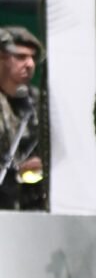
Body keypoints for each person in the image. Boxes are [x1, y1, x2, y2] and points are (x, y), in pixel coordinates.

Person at [0, 26, 44, 211]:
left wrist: (43, 163)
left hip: (29, 209)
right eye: (20, 57)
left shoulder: (37, 102)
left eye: (32, 57)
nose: (30, 64)